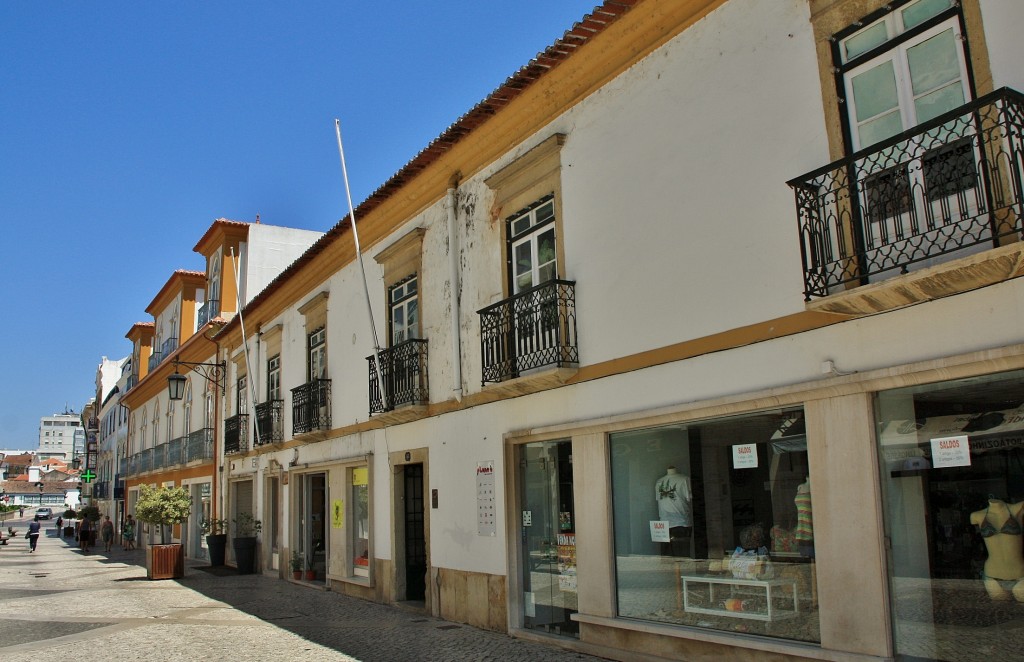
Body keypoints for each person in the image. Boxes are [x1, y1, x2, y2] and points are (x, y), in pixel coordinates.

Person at [970, 498, 1024, 602]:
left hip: (1019, 574)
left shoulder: (1018, 508)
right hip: (992, 574)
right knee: (1001, 614)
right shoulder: (976, 515)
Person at [655, 465, 692, 556]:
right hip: (668, 523)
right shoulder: (659, 482)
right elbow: (688, 498)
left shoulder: (684, 480)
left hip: (678, 522)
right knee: (669, 557)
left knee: (679, 556)